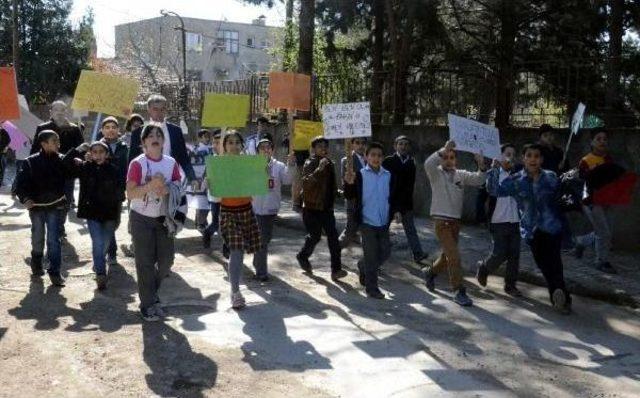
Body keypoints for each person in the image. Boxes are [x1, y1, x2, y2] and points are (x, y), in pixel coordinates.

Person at [497, 143, 571, 314]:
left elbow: (562, 196)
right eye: (529, 155)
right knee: (543, 264)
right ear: (523, 159)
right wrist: (497, 169)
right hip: (532, 231)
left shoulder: (551, 177)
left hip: (553, 228)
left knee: (555, 263)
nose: (532, 159)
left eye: (536, 156)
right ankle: (562, 295)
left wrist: (563, 177)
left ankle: (559, 297)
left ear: (541, 160)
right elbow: (496, 190)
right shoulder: (516, 180)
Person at [126, 124, 183, 321]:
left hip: (163, 219)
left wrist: (167, 189)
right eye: (150, 135)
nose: (155, 137)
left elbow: (178, 186)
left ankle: (151, 294)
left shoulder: (170, 162)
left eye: (159, 134)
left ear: (163, 141)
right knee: (145, 263)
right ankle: (147, 304)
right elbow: (131, 193)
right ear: (143, 142)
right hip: (140, 218)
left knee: (167, 261)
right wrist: (150, 185)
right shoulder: (137, 163)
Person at [422, 140, 486, 307]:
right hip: (441, 221)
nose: (448, 160)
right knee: (454, 256)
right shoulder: (435, 173)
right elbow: (429, 162)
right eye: (445, 157)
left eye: (452, 157)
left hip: (455, 222)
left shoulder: (461, 175)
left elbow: (479, 180)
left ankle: (430, 273)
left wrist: (481, 165)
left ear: (456, 160)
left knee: (447, 256)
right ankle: (458, 290)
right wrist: (445, 148)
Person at [63, 141, 125, 290]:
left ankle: (98, 262)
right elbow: (64, 166)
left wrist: (117, 209)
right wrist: (76, 150)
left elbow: (120, 192)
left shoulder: (114, 170)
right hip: (92, 213)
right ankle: (101, 274)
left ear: (107, 154)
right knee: (97, 243)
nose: (98, 155)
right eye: (95, 152)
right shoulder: (85, 168)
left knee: (104, 243)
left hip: (110, 213)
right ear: (90, 153)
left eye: (101, 152)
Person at [15, 130, 69, 286]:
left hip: (56, 206)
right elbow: (21, 185)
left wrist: (80, 159)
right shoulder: (30, 162)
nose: (58, 144)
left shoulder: (62, 160)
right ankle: (36, 261)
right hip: (37, 207)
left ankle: (55, 272)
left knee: (54, 240)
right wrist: (25, 199)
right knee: (38, 236)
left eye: (58, 140)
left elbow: (74, 172)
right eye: (54, 141)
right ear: (43, 144)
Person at [344, 142, 393, 299]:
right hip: (366, 221)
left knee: (385, 251)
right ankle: (372, 288)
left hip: (384, 221)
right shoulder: (359, 175)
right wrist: (348, 183)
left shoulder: (388, 175)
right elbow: (350, 195)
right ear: (366, 157)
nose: (376, 158)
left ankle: (362, 265)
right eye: (372, 155)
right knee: (371, 255)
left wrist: (396, 211)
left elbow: (392, 196)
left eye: (379, 155)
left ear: (383, 158)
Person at [218, 131, 262, 309]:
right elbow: (213, 190)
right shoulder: (218, 164)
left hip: (246, 211)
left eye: (237, 142)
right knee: (236, 250)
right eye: (230, 142)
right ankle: (235, 292)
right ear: (225, 146)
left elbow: (259, 182)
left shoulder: (249, 163)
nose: (234, 146)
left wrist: (262, 173)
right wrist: (209, 180)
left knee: (241, 251)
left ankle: (235, 287)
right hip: (228, 213)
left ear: (242, 145)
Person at [296, 136, 348, 281]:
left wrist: (338, 193)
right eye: (320, 147)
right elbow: (306, 184)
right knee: (315, 236)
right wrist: (319, 169)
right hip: (311, 208)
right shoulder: (310, 163)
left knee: (333, 238)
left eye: (325, 147)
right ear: (314, 149)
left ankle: (336, 270)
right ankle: (302, 256)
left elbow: (330, 184)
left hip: (326, 208)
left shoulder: (330, 164)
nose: (323, 149)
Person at [476, 143, 523, 297]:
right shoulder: (493, 173)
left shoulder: (518, 174)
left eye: (513, 154)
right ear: (500, 156)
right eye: (507, 154)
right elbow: (490, 190)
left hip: (515, 220)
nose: (511, 157)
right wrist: (495, 169)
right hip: (498, 219)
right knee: (500, 253)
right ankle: (484, 267)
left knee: (514, 254)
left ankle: (510, 285)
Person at [31, 101, 84, 236]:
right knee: (49, 200)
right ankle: (52, 226)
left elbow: (81, 150)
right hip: (47, 172)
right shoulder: (42, 128)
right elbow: (34, 151)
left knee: (65, 202)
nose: (59, 112)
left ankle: (59, 225)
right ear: (51, 112)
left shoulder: (74, 129)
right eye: (56, 110)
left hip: (67, 172)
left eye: (63, 110)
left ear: (66, 112)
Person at [578, 128, 622, 274]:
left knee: (604, 231)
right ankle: (601, 261)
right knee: (604, 232)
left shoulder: (609, 159)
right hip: (592, 202)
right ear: (592, 142)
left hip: (607, 200)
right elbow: (583, 183)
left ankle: (581, 242)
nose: (602, 141)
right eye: (599, 139)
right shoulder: (585, 161)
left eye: (605, 139)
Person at [252, 138, 295, 282]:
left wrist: (291, 164)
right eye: (262, 147)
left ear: (272, 150)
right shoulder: (252, 165)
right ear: (257, 151)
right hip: (255, 208)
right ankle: (261, 272)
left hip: (271, 208)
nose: (265, 150)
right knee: (262, 240)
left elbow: (288, 180)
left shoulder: (279, 166)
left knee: (265, 238)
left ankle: (257, 262)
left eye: (268, 147)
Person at [382, 136, 429, 263]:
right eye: (400, 144)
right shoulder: (388, 161)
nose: (403, 147)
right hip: (389, 202)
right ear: (395, 146)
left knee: (410, 229)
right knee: (382, 229)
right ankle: (378, 255)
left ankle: (417, 253)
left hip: (405, 202)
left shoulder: (411, 163)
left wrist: (402, 206)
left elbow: (409, 186)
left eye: (406, 144)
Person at [128, 94, 195, 183]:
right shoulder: (138, 132)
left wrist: (193, 178)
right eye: (155, 109)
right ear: (149, 110)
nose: (159, 113)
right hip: (145, 183)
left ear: (166, 110)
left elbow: (184, 157)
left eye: (162, 109)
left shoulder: (176, 131)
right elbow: (132, 159)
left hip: (171, 181)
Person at [99, 117, 129, 265]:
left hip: (118, 191)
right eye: (107, 127)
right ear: (102, 130)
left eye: (113, 127)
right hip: (102, 191)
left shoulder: (124, 147)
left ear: (118, 130)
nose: (110, 130)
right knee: (107, 222)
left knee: (115, 222)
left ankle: (109, 247)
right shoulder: (97, 147)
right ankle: (111, 252)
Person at [339, 137, 367, 248]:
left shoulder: (369, 159)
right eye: (357, 143)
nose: (361, 145)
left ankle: (369, 258)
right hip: (353, 199)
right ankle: (336, 250)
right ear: (352, 144)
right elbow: (344, 181)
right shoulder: (347, 160)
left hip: (367, 199)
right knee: (350, 228)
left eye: (363, 143)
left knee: (367, 229)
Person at [188, 129, 213, 233]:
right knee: (201, 201)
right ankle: (200, 223)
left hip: (210, 178)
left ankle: (201, 221)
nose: (207, 138)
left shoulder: (212, 149)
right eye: (204, 136)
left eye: (208, 136)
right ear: (199, 138)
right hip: (200, 179)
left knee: (208, 201)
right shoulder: (195, 150)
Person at [203, 129, 222, 248]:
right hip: (215, 197)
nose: (215, 145)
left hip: (229, 197)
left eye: (218, 143)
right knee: (215, 223)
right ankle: (207, 233)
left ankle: (227, 248)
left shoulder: (231, 159)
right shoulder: (212, 160)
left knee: (228, 225)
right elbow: (207, 178)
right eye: (214, 142)